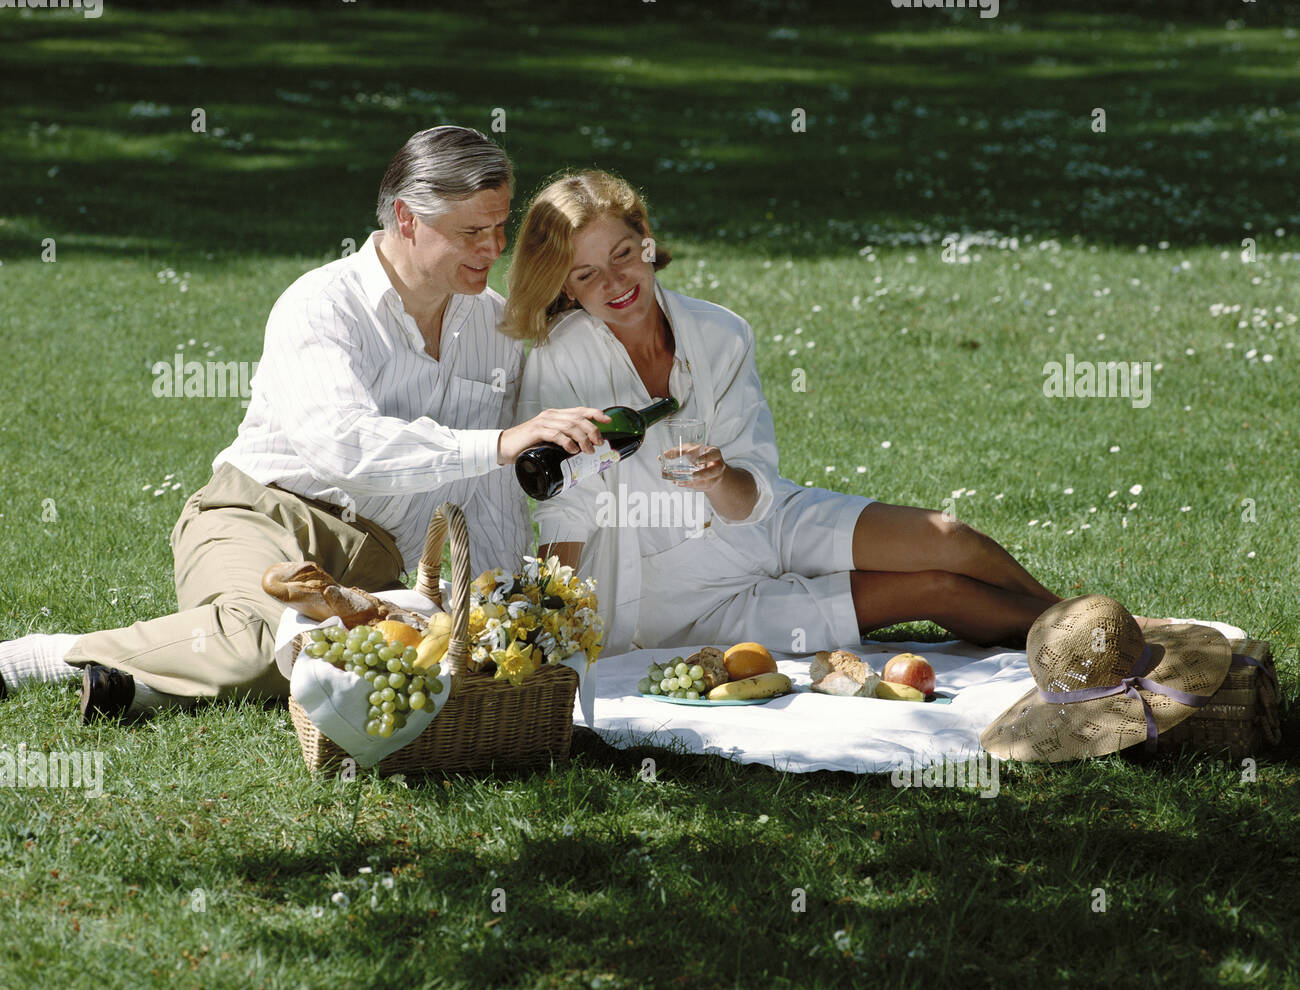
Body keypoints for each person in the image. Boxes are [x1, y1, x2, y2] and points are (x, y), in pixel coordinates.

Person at [0, 126, 605, 720]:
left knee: (372, 659)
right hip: (262, 519)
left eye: (499, 228)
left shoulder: (495, 332)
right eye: (471, 231)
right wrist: (497, 444)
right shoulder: (321, 304)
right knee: (260, 643)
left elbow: (491, 491)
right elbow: (342, 444)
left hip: (373, 564)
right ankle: (29, 660)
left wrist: (496, 612)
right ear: (406, 218)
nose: (492, 248)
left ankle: (133, 686)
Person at [506, 169, 1064, 658]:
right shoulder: (562, 358)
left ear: (647, 241)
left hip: (764, 522)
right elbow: (565, 509)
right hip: (681, 596)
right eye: (585, 274)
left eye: (623, 254)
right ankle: (1088, 637)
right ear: (566, 288)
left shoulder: (719, 333)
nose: (613, 282)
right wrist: (553, 629)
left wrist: (721, 477)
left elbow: (754, 488)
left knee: (948, 537)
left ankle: (1097, 625)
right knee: (938, 591)